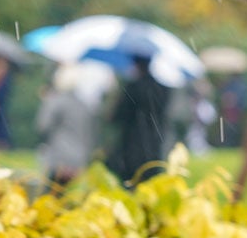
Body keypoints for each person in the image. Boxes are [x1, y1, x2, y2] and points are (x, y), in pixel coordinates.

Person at [105, 54, 171, 184]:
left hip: (132, 144)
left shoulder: (132, 87)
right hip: (154, 144)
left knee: (130, 183)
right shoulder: (162, 88)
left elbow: (117, 117)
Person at [36, 63, 101, 188]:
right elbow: (91, 134)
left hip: (58, 159)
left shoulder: (56, 100)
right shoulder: (84, 105)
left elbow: (42, 125)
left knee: (52, 195)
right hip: (79, 160)